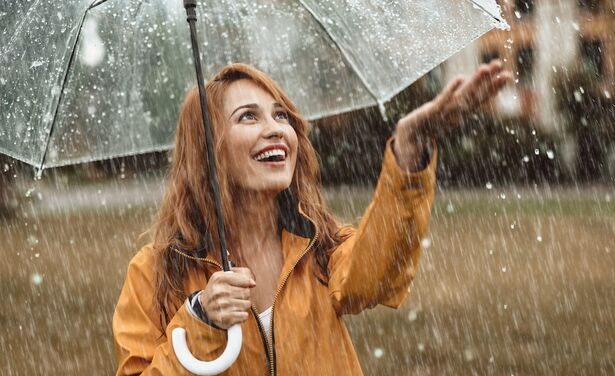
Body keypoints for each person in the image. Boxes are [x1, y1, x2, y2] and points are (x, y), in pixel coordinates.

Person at [113, 61, 511, 375]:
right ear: (207, 151)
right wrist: (199, 320)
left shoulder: (319, 247)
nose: (275, 130)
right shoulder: (154, 274)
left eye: (281, 116)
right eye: (248, 117)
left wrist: (411, 147)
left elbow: (378, 271)